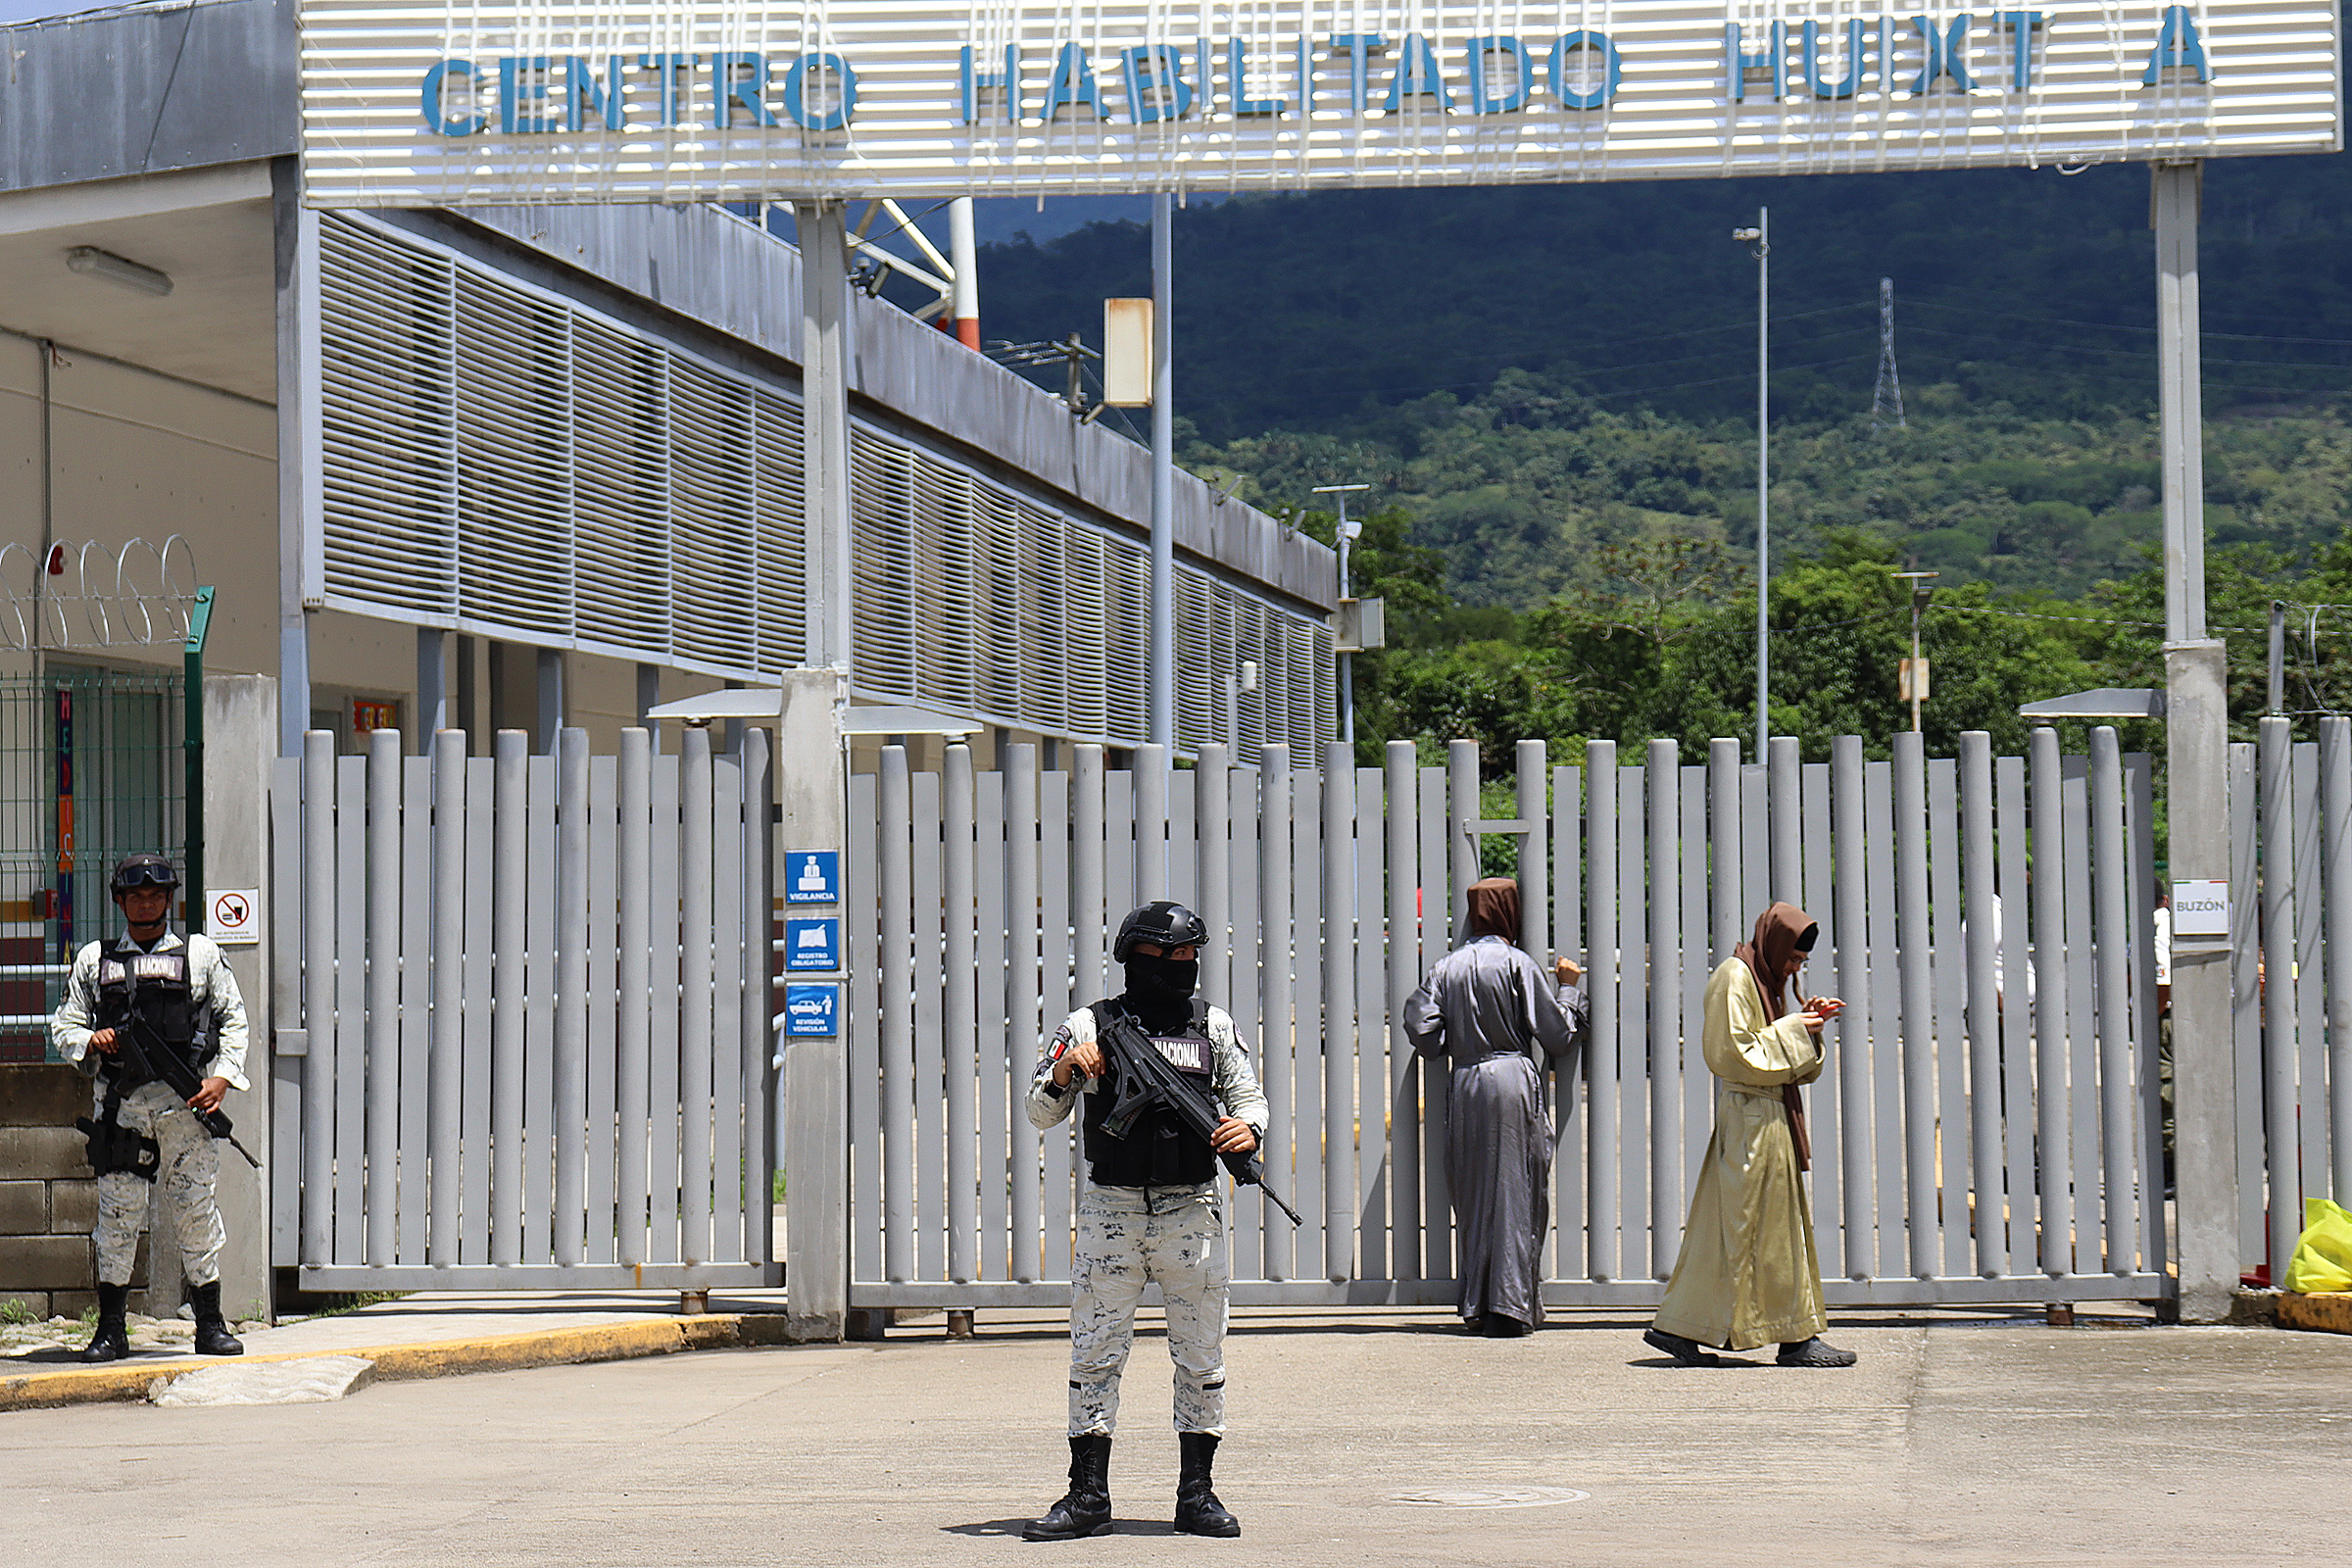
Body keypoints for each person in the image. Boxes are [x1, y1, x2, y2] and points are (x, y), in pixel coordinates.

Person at [1021, 900, 1269, 1542]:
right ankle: (1088, 1496)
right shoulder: (1089, 1024)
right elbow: (1039, 1111)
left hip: (1192, 1210)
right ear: (1139, 957)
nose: (1184, 966)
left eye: (1190, 956)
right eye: (1172, 956)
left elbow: (1248, 1096)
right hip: (1113, 1210)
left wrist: (1248, 1129)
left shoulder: (1212, 1025)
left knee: (1201, 1355)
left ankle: (1197, 1495)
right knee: (1095, 1354)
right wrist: (1065, 1070)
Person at [50, 853, 251, 1361]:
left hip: (185, 1106)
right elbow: (64, 1024)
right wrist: (91, 1040)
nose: (146, 904)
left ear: (169, 900)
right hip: (122, 1109)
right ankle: (111, 1330)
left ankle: (210, 1324)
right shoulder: (95, 960)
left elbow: (234, 1019)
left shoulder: (199, 955)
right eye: (135, 896)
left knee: (195, 1211)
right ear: (120, 902)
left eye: (155, 896)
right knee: (118, 1218)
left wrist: (223, 1078)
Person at [1645, 901, 1856, 1369]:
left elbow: (1771, 1048)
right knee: (1769, 1233)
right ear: (1776, 944)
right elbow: (1733, 1052)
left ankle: (1682, 1326)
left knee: (1737, 1232)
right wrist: (1796, 1028)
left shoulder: (1761, 980)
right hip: (1752, 1122)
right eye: (1793, 958)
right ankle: (1795, 1338)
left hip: (1762, 1119)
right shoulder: (1735, 977)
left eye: (1802, 961)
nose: (1795, 968)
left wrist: (1808, 1025)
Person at [1403, 878, 1580, 1338]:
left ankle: (1478, 1302)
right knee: (1519, 1190)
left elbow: (1422, 1029)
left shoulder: (1446, 968)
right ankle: (1511, 1305)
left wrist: (1456, 1040)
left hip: (1467, 1082)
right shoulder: (1518, 964)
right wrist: (1568, 990)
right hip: (1512, 1080)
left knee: (1474, 1193)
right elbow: (1558, 1035)